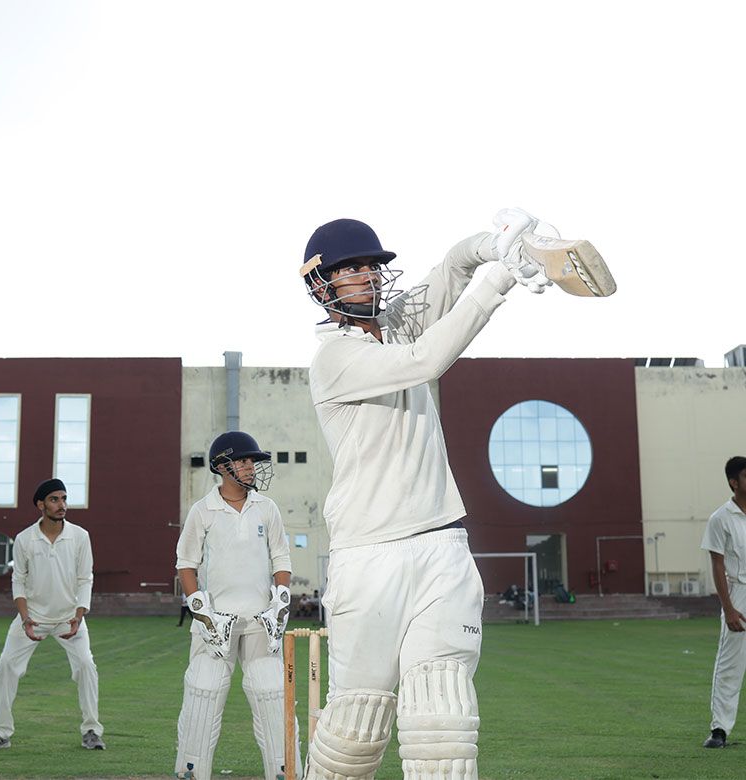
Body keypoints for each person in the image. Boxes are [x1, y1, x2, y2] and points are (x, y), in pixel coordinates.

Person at [297, 211, 552, 780]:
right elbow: (427, 360)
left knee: (443, 719)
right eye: (352, 269)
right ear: (321, 283)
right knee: (355, 733)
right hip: (368, 555)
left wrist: (499, 246)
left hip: (442, 546)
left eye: (371, 265)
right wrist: (501, 281)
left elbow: (451, 268)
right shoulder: (335, 359)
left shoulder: (397, 322)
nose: (367, 275)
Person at [174, 431, 298, 780]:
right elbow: (186, 563)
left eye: (251, 462)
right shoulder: (203, 511)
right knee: (204, 689)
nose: (250, 468)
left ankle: (286, 772)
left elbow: (281, 558)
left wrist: (280, 603)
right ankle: (190, 772)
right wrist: (202, 612)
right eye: (243, 461)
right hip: (216, 622)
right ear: (221, 466)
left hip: (261, 621)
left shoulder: (266, 507)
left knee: (272, 692)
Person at [0, 478, 105, 752]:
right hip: (32, 617)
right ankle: (0, 732)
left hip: (69, 618)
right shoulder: (24, 539)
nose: (62, 505)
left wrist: (79, 615)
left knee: (86, 665)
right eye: (55, 499)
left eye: (64, 499)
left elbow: (86, 579)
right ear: (40, 504)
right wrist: (25, 618)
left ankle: (92, 731)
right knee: (6, 666)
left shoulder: (80, 536)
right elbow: (18, 581)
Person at [701, 456, 746, 749]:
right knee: (730, 665)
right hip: (740, 593)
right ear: (734, 482)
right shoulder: (721, 518)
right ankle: (719, 729)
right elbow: (717, 564)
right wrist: (728, 608)